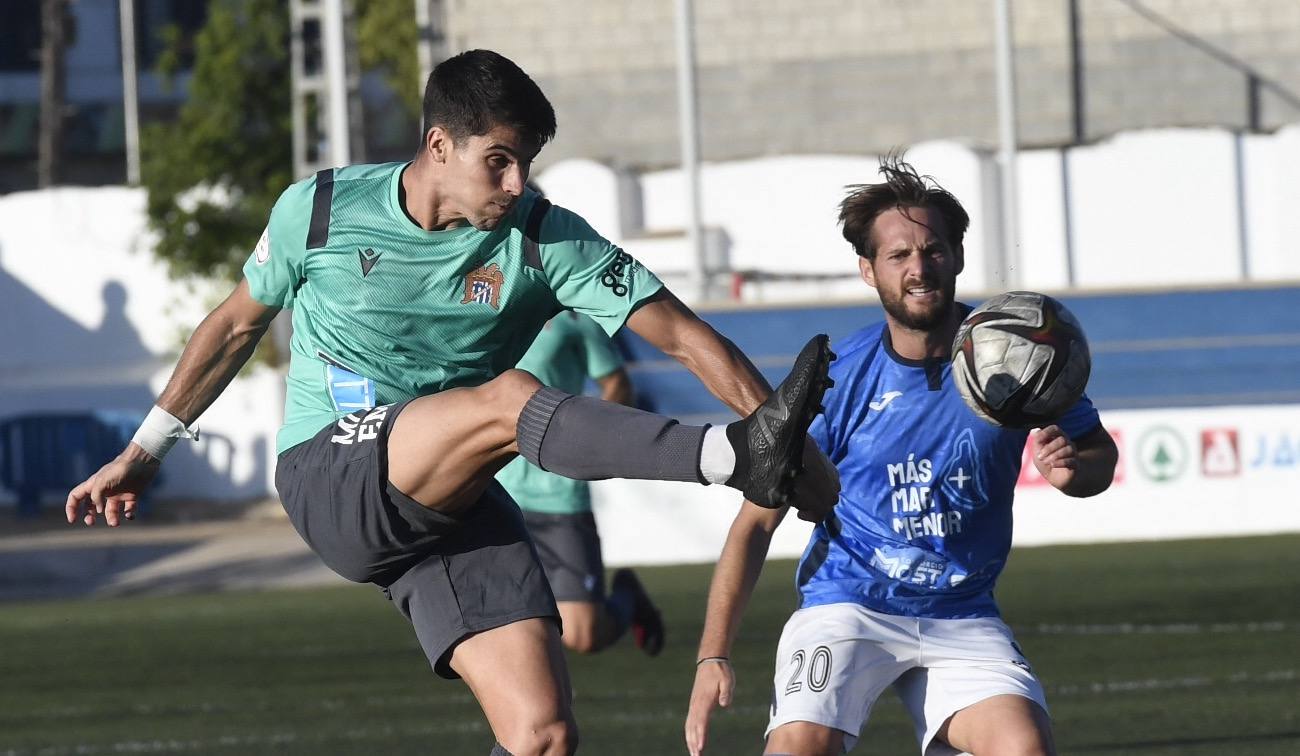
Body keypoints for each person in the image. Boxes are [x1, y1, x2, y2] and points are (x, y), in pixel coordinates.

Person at [64, 50, 838, 756]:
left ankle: (746, 453)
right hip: (330, 473)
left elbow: (685, 338)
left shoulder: (544, 239)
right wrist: (144, 452)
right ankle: (723, 456)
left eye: (525, 164)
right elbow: (235, 325)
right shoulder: (321, 209)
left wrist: (791, 452)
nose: (516, 184)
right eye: (498, 160)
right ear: (439, 145)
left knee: (542, 734)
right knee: (508, 400)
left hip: (450, 499)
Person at [685, 156, 1118, 756]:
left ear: (957, 255)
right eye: (899, 255)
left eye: (933, 249)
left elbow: (1097, 454)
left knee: (1024, 747)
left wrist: (1074, 471)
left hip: (963, 612)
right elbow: (755, 522)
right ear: (868, 270)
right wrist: (713, 654)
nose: (919, 268)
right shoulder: (835, 381)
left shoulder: (1014, 353)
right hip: (847, 604)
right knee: (797, 749)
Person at [496, 310, 665, 656]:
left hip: (558, 494)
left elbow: (617, 382)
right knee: (504, 632)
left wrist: (593, 442)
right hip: (496, 491)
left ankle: (627, 596)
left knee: (584, 635)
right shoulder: (480, 312)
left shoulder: (572, 320)